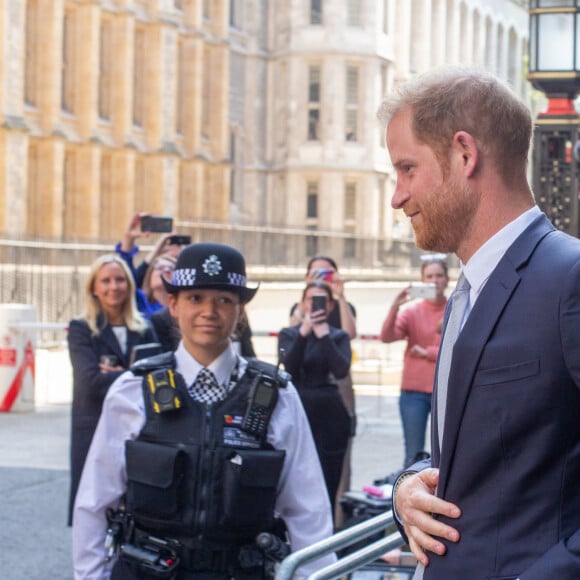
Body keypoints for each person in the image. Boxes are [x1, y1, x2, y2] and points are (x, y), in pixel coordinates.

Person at [377, 66, 580, 579]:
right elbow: (462, 451)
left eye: (407, 168)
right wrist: (407, 487)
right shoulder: (469, 291)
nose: (397, 196)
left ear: (465, 154)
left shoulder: (570, 277)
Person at [72, 242, 335, 579]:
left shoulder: (278, 397)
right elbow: (95, 502)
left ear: (240, 311)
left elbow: (307, 510)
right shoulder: (132, 390)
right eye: (195, 298)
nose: (209, 311)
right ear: (173, 305)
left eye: (224, 300)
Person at [67, 254, 157, 525]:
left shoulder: (144, 329)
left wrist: (118, 374)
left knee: (132, 504)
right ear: (94, 287)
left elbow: (156, 378)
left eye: (119, 280)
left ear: (129, 285)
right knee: (92, 506)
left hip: (137, 428)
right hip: (93, 426)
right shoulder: (81, 329)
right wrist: (134, 374)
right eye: (105, 281)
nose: (113, 286)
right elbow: (91, 383)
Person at [289, 256, 357, 523]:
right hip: (300, 403)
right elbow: (288, 365)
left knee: (332, 472)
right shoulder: (293, 329)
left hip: (331, 403)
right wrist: (306, 329)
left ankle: (333, 523)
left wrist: (324, 331)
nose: (315, 304)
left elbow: (341, 364)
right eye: (310, 299)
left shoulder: (337, 329)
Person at [380, 257, 448, 468]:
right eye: (429, 276)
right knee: (413, 452)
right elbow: (387, 336)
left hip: (445, 390)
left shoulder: (456, 308)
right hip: (414, 392)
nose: (434, 281)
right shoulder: (412, 311)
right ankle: (408, 498)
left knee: (446, 452)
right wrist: (395, 307)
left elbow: (458, 349)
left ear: (447, 279)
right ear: (421, 280)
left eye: (439, 276)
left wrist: (427, 352)